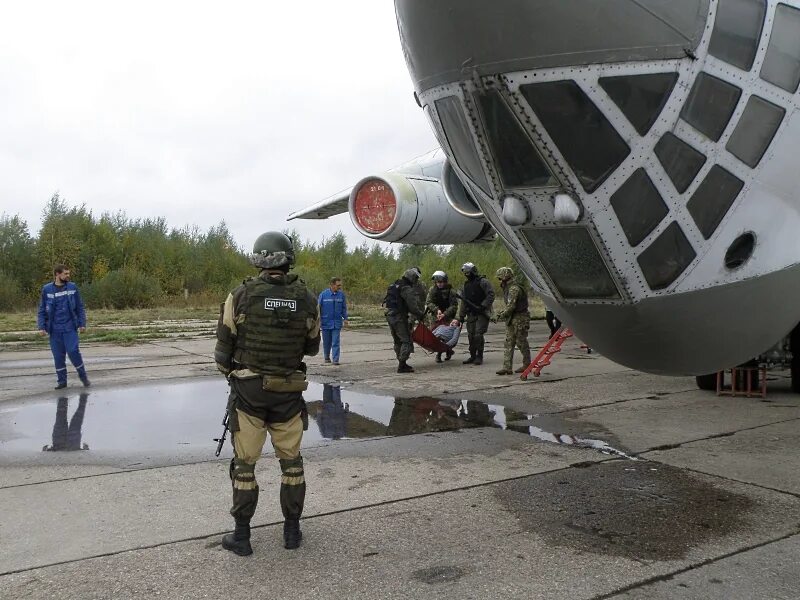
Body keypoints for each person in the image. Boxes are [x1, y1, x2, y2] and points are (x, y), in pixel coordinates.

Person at [215, 231, 320, 555]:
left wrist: (235, 375)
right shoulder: (307, 298)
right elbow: (313, 348)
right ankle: (291, 532)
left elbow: (222, 351)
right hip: (287, 393)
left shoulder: (240, 295)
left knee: (245, 466)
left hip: (249, 395)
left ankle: (242, 537)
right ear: (288, 259)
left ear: (258, 259)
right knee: (292, 464)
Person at [37, 265, 90, 390]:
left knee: (73, 351)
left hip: (70, 327)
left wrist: (82, 324)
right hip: (54, 330)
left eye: (68, 273)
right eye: (65, 273)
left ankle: (83, 376)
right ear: (57, 274)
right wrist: (41, 326)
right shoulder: (47, 289)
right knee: (58, 356)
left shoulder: (72, 287)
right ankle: (62, 381)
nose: (68, 275)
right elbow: (41, 310)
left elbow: (79, 307)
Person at [451, 262, 494, 365]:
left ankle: (479, 356)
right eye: (465, 273)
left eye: (468, 272)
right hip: (471, 314)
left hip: (482, 313)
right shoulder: (465, 285)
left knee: (478, 335)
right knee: (471, 336)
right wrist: (461, 316)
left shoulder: (483, 282)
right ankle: (472, 355)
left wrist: (483, 306)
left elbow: (491, 295)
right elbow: (464, 302)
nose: (466, 274)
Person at [384, 267, 425, 373]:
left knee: (397, 340)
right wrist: (421, 315)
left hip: (389, 315)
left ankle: (401, 362)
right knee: (406, 340)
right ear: (413, 277)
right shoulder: (406, 288)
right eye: (416, 278)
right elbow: (413, 307)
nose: (416, 281)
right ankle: (402, 365)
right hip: (399, 317)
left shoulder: (395, 285)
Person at [494, 267, 532, 375]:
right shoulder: (509, 287)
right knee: (508, 342)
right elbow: (510, 307)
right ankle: (507, 367)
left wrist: (502, 315)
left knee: (521, 342)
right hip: (513, 318)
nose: (500, 281)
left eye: (500, 278)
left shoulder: (514, 289)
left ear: (506, 277)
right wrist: (503, 314)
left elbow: (511, 306)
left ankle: (527, 364)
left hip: (520, 318)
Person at [426, 270, 460, 362]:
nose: (439, 284)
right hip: (435, 316)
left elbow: (454, 305)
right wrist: (437, 310)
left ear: (445, 281)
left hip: (448, 316)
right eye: (437, 282)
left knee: (448, 336)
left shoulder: (451, 292)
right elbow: (429, 302)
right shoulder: (432, 290)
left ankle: (448, 350)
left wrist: (445, 314)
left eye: (441, 282)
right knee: (436, 336)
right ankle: (439, 353)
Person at [318, 277, 348, 365]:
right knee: (327, 342)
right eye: (338, 285)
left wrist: (345, 318)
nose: (340, 287)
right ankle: (326, 357)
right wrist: (318, 320)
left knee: (336, 342)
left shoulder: (341, 295)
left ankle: (335, 360)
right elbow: (318, 308)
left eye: (340, 285)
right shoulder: (323, 295)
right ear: (332, 285)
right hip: (325, 322)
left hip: (337, 323)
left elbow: (343, 308)